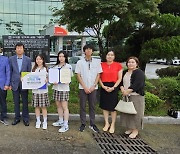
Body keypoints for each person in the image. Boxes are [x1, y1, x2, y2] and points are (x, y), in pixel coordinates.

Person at [75, 44, 102, 133]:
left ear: (92, 51)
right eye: (86, 49)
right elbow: (78, 75)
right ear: (84, 51)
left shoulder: (97, 62)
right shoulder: (80, 62)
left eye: (90, 49)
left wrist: (94, 85)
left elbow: (98, 74)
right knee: (82, 106)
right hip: (83, 88)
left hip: (93, 88)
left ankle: (92, 123)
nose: (88, 51)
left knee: (92, 106)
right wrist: (85, 87)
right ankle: (83, 123)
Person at [119, 56, 145, 139]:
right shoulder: (125, 72)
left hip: (136, 96)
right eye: (129, 62)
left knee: (136, 114)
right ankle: (130, 128)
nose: (130, 64)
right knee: (128, 113)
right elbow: (120, 82)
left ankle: (135, 130)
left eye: (133, 62)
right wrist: (122, 89)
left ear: (137, 64)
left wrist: (127, 91)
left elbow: (138, 84)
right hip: (126, 95)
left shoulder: (139, 72)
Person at [99, 50, 122, 134]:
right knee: (105, 106)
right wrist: (103, 86)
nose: (110, 56)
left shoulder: (118, 65)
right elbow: (98, 77)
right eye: (108, 55)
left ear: (114, 56)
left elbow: (119, 78)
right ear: (106, 56)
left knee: (113, 107)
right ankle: (106, 123)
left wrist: (114, 87)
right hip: (104, 86)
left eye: (112, 55)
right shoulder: (101, 65)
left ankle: (113, 124)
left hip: (114, 86)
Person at [9, 42, 32, 126]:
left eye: (20, 48)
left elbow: (29, 72)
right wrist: (9, 83)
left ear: (23, 49)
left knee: (25, 102)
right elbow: (10, 72)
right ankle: (17, 118)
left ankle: (26, 118)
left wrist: (28, 82)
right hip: (14, 83)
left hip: (24, 84)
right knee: (16, 102)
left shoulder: (28, 59)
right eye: (17, 48)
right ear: (15, 50)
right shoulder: (11, 59)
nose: (19, 49)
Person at [52, 51, 73, 133]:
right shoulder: (55, 67)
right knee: (58, 106)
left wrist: (66, 81)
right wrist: (53, 81)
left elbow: (70, 78)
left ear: (65, 57)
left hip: (64, 89)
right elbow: (52, 77)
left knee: (65, 106)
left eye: (63, 56)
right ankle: (60, 120)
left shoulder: (68, 67)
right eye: (60, 56)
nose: (61, 58)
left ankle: (66, 124)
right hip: (56, 88)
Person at [32, 54, 50, 130]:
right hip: (35, 91)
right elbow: (30, 79)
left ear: (43, 60)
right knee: (36, 106)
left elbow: (50, 80)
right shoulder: (33, 69)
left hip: (43, 91)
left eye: (40, 59)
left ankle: (45, 121)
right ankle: (38, 120)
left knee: (43, 107)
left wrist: (47, 80)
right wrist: (24, 80)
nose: (38, 61)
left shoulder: (46, 69)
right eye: (37, 59)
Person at [0, 54, 10, 126]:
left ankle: (3, 118)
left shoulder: (5, 59)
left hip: (2, 85)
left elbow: (8, 72)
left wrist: (7, 84)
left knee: (3, 102)